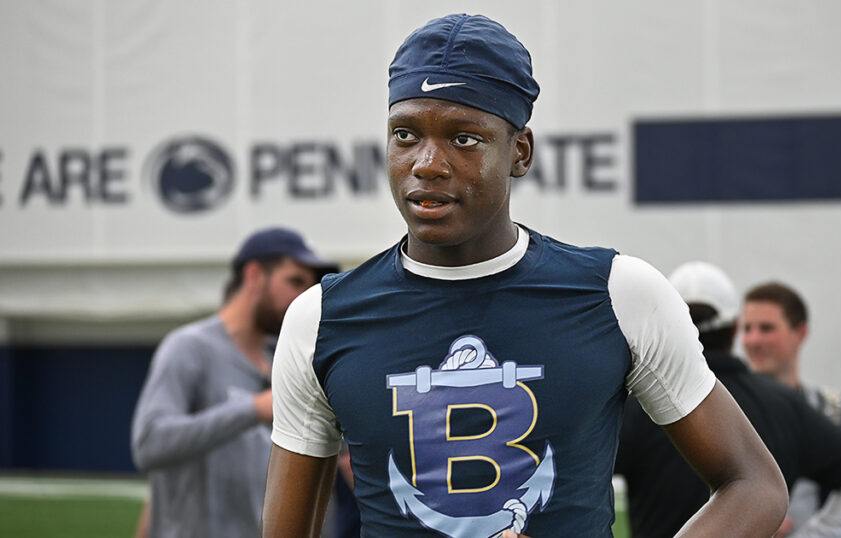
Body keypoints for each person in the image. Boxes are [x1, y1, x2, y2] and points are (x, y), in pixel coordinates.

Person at [262, 13, 787, 538]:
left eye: (463, 139)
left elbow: (755, 485)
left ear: (520, 152)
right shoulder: (321, 320)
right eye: (405, 134)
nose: (427, 163)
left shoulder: (619, 295)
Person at [616, 261, 841, 538]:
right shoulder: (786, 404)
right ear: (736, 329)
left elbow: (576, 485)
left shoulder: (632, 409)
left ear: (666, 327)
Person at [130, 227, 337, 537]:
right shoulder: (189, 348)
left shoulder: (283, 358)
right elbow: (150, 443)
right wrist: (252, 409)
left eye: (309, 287)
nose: (302, 298)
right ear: (254, 276)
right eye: (294, 281)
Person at [742, 281, 841, 536]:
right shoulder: (729, 409)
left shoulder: (831, 408)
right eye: (747, 329)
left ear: (801, 333)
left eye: (766, 328)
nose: (753, 339)